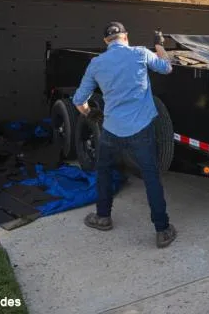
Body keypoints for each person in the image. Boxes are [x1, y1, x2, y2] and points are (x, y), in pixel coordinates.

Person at [72, 22, 177, 248]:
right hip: (141, 129)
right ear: (126, 37)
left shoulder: (96, 63)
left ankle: (103, 217)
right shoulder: (140, 53)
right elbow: (167, 68)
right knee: (151, 177)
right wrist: (159, 45)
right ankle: (162, 230)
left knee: (103, 172)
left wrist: (90, 114)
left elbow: (79, 100)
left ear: (106, 42)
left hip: (111, 130)